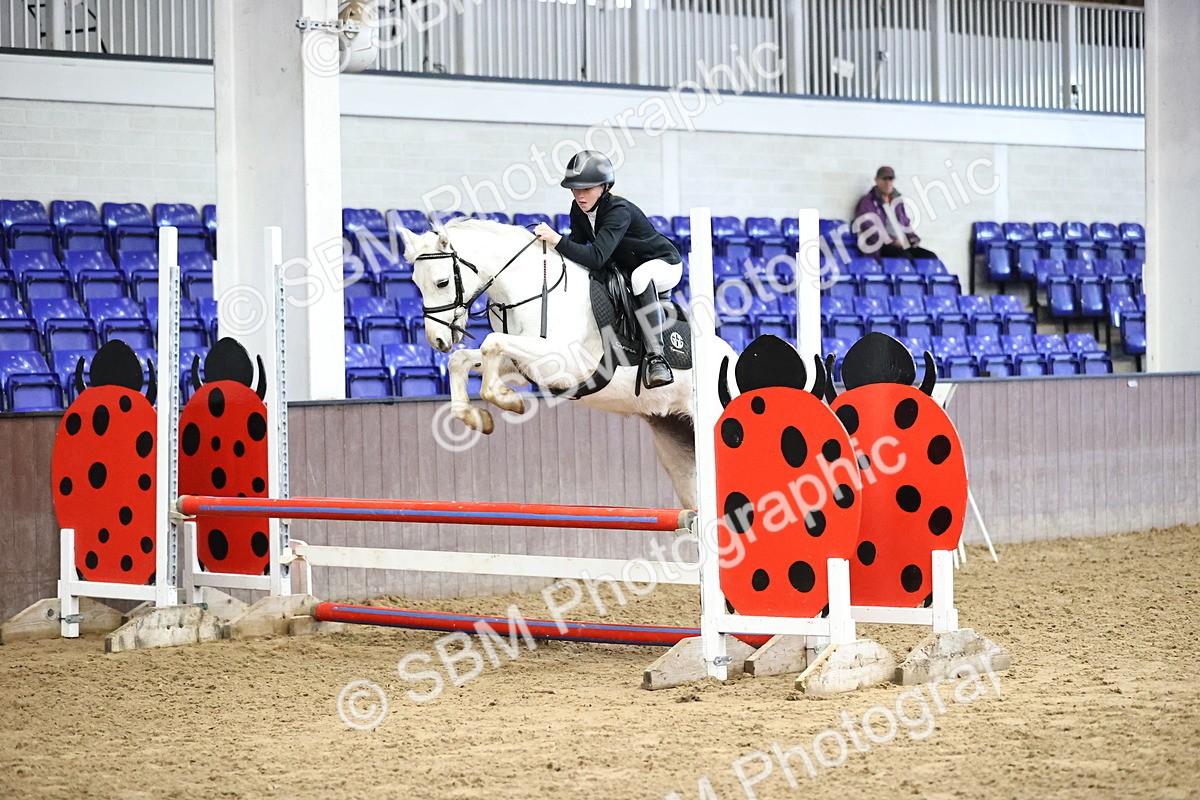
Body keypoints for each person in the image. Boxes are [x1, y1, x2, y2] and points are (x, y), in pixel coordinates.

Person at [533, 150, 682, 389]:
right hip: (626, 266)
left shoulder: (618, 210)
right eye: (575, 189)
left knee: (640, 277)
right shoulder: (578, 209)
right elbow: (579, 249)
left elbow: (596, 257)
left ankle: (657, 358)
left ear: (604, 187)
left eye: (587, 189)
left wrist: (556, 239)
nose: (580, 196)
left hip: (663, 263)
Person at [853, 166, 938, 261]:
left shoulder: (897, 202)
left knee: (930, 257)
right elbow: (870, 228)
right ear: (876, 180)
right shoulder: (868, 202)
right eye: (884, 179)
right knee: (904, 257)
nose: (888, 183)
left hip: (901, 245)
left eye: (890, 179)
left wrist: (912, 238)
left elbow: (905, 223)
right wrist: (892, 241)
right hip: (880, 247)